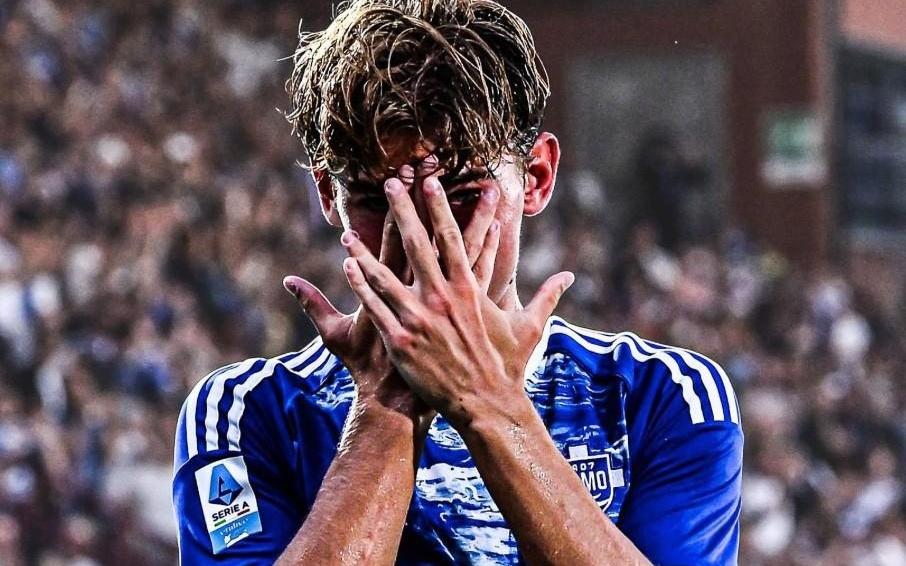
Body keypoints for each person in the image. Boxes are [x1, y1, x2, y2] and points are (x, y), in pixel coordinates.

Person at [172, 1, 742, 564]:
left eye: (464, 195)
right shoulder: (241, 413)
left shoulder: (666, 396)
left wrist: (487, 401)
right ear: (328, 195)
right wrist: (387, 402)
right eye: (378, 202)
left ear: (537, 177)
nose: (422, 235)